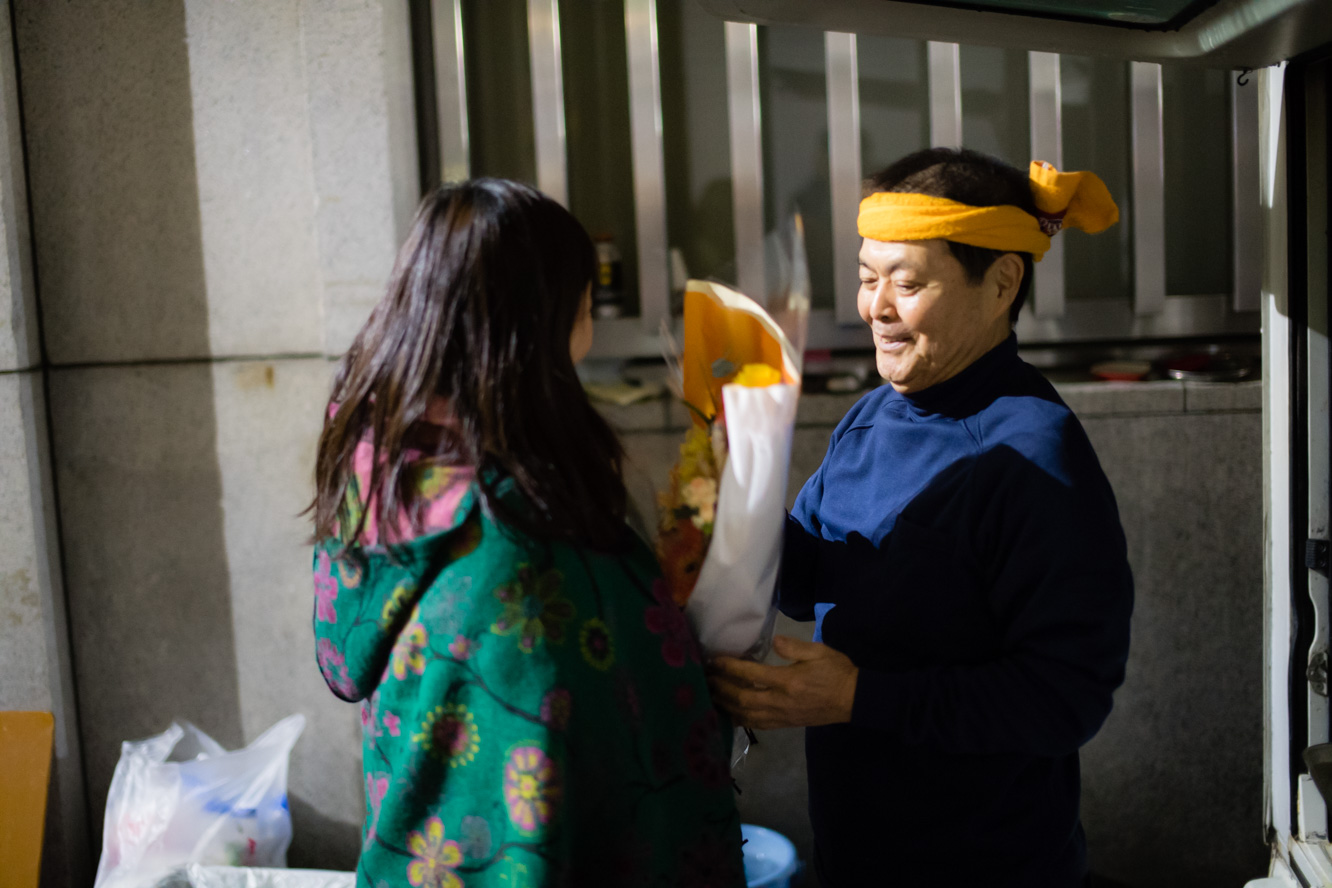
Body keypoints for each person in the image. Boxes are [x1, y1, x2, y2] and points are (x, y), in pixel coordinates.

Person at [708, 148, 1134, 887]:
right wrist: (726, 483)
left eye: (907, 283)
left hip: (989, 863)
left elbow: (1067, 697)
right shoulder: (875, 415)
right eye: (869, 278)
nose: (876, 307)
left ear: (1002, 282)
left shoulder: (1036, 453)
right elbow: (808, 574)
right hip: (859, 846)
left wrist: (857, 697)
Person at [309, 179, 744, 887]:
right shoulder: (525, 521)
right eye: (585, 301)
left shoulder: (378, 453)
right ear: (540, 320)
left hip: (426, 854)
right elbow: (627, 693)